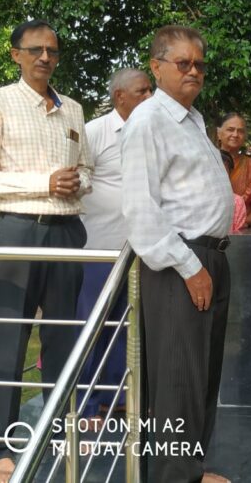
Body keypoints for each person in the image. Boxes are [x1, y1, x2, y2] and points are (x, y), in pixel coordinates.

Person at [0, 19, 92, 481]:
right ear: (15, 54)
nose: (45, 57)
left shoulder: (74, 110)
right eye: (35, 49)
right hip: (17, 230)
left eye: (52, 51)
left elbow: (90, 171)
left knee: (62, 337)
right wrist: (43, 182)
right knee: (8, 340)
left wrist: (79, 181)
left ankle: (60, 431)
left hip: (67, 232)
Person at [120, 25, 233, 483]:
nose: (193, 71)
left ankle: (190, 470)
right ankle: (172, 477)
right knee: (176, 383)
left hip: (210, 259)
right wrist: (190, 267)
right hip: (179, 264)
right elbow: (141, 210)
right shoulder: (149, 120)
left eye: (199, 64)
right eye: (182, 63)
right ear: (157, 66)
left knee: (201, 378)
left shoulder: (193, 119)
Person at [76, 68, 152, 427]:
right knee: (92, 325)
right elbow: (76, 179)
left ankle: (118, 398)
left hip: (139, 250)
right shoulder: (95, 132)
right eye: (142, 91)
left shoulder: (152, 132)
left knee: (128, 324)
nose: (149, 97)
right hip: (99, 250)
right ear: (120, 96)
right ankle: (87, 406)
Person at [216, 112, 251, 227]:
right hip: (211, 228)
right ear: (219, 133)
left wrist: (246, 221)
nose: (235, 134)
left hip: (243, 230)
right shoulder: (207, 160)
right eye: (230, 129)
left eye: (240, 131)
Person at [219, 151, 247, 232]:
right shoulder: (193, 198)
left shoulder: (237, 202)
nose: (217, 174)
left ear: (230, 173)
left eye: (223, 170)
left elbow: (236, 233)